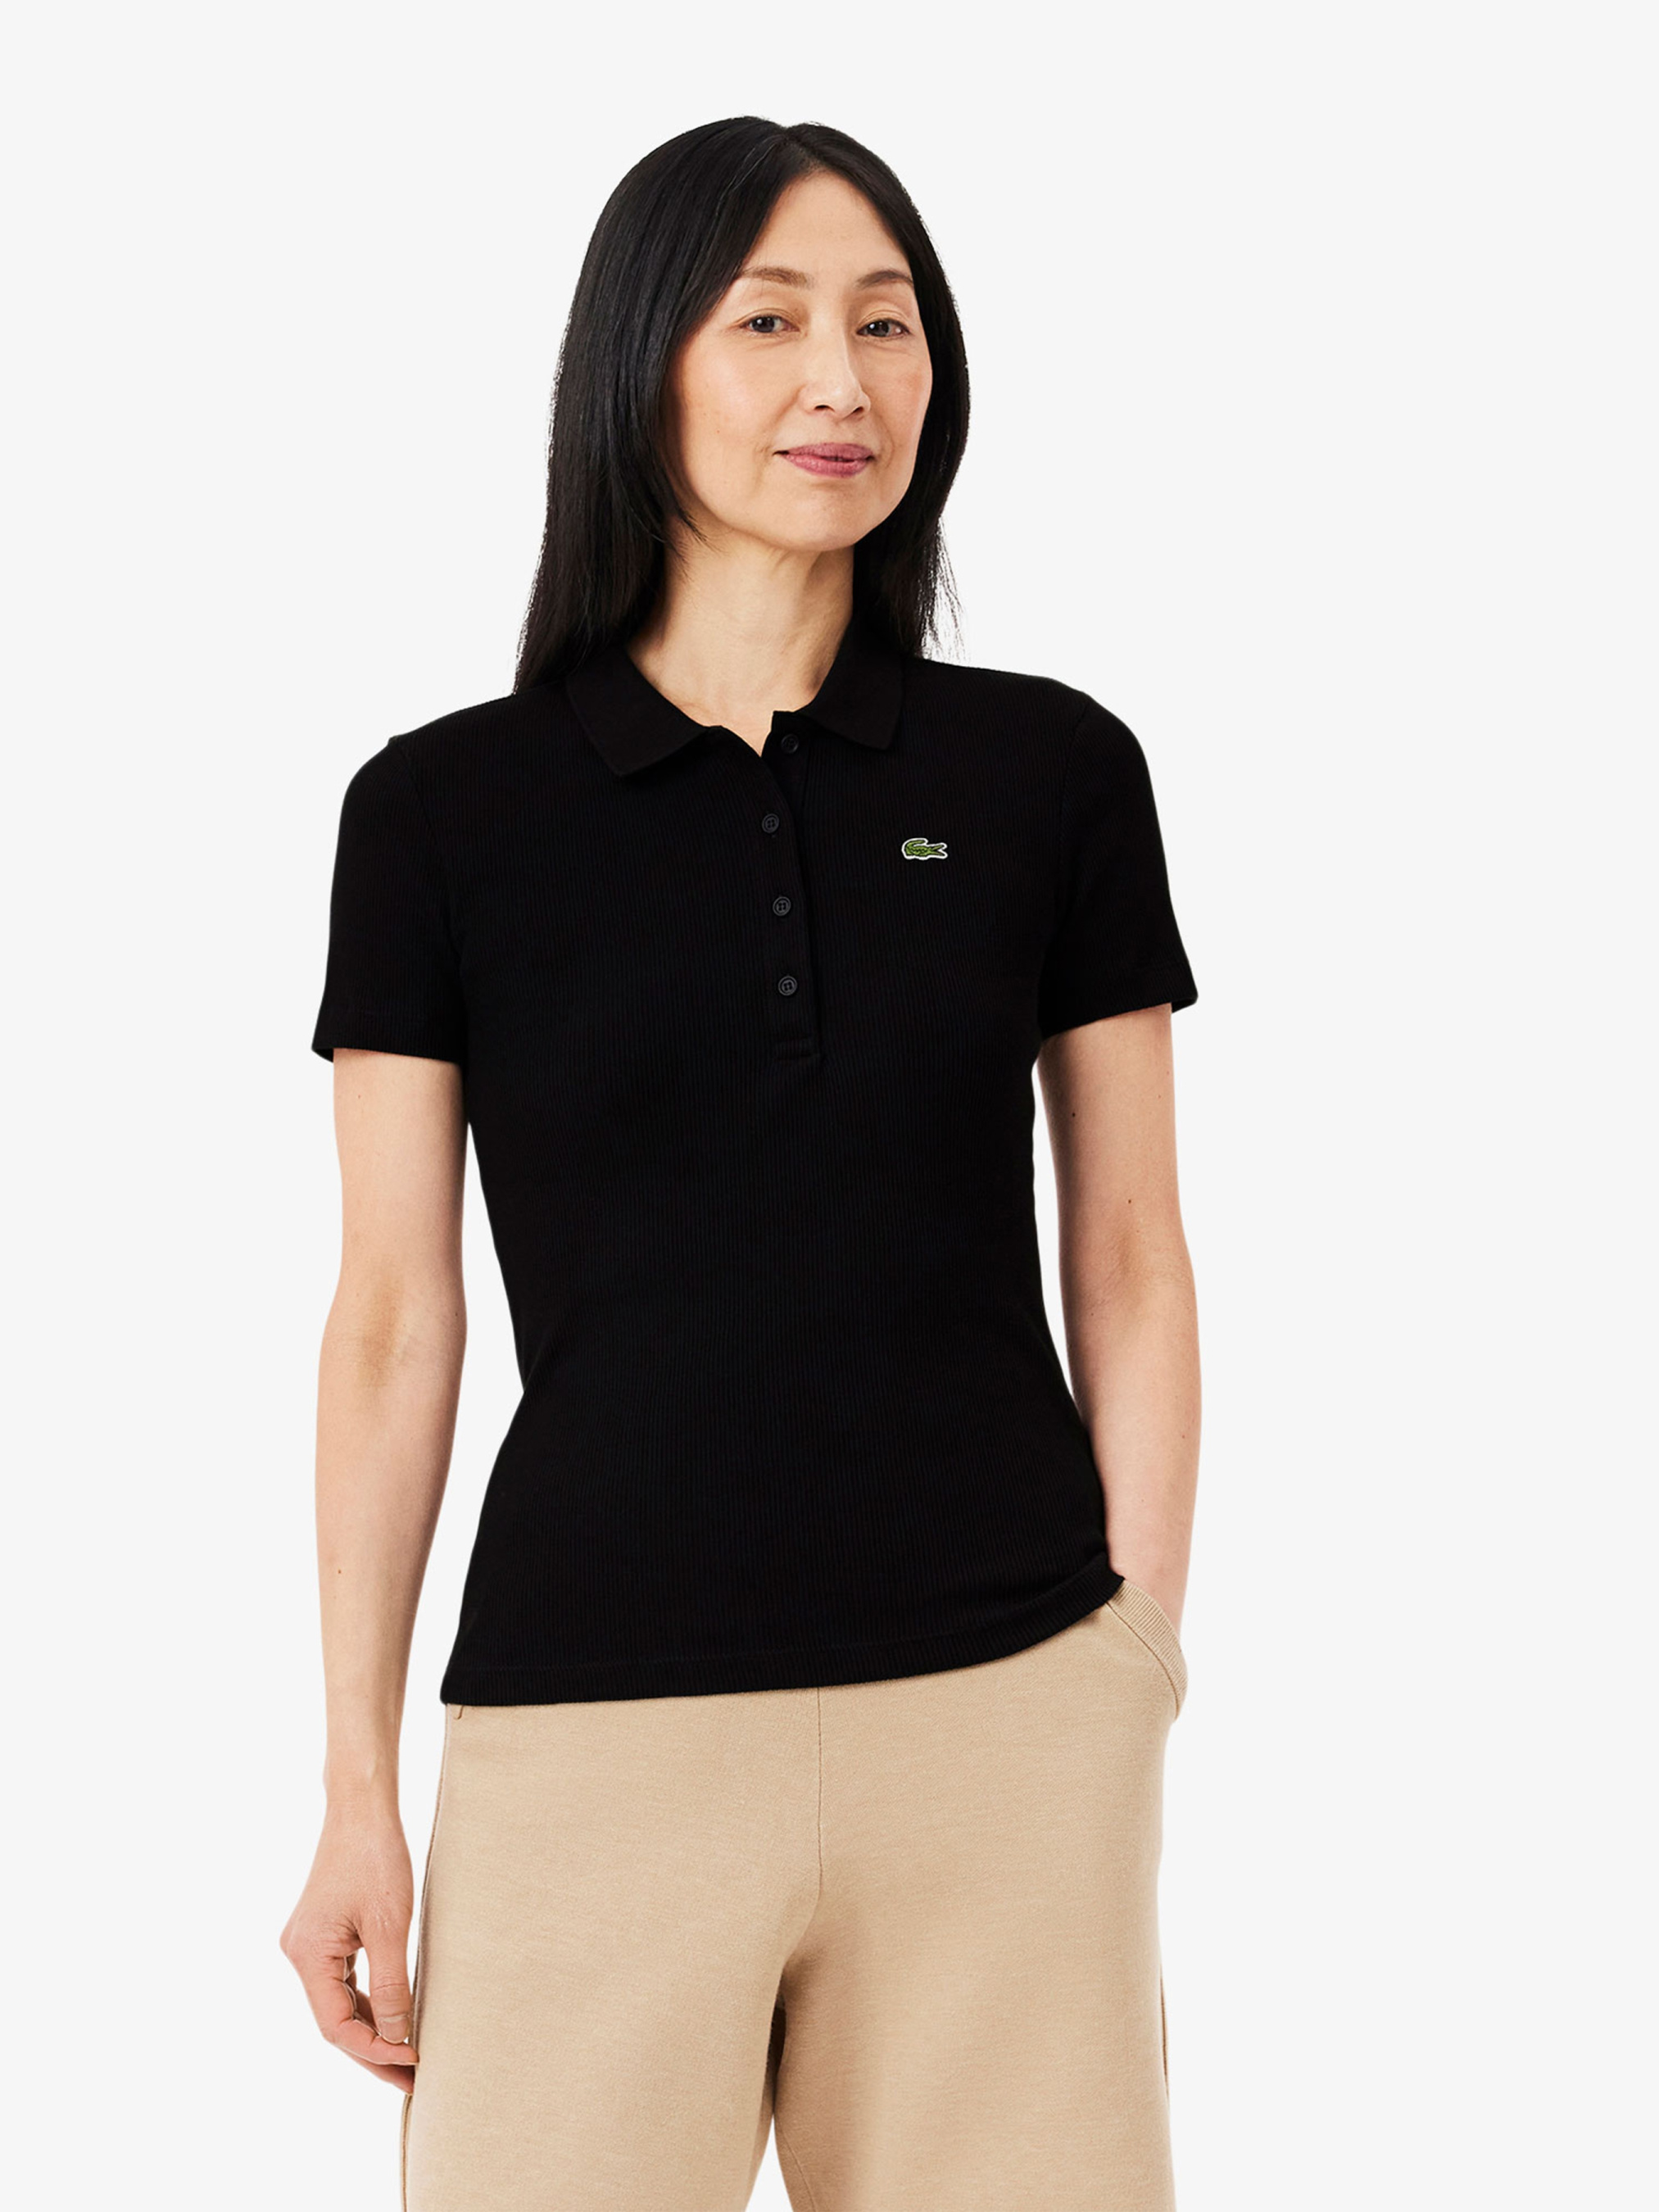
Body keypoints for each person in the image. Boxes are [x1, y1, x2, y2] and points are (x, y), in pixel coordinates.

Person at [281, 115, 1201, 2212]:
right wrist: (354, 1786)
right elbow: (393, 1317)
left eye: (887, 324)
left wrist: (1129, 1652)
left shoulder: (1051, 771)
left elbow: (1132, 1250)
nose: (840, 381)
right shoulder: (439, 815)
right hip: (588, 1736)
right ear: (639, 364)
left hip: (1003, 1718)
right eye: (768, 321)